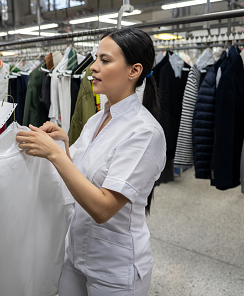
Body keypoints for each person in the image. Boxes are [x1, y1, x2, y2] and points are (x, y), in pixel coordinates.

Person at [16, 27, 166, 296]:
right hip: (76, 252)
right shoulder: (97, 119)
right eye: (95, 58)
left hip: (115, 269)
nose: (92, 68)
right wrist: (63, 142)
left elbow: (104, 207)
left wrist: (55, 154)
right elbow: (83, 172)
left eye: (104, 60)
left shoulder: (145, 132)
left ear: (134, 71)